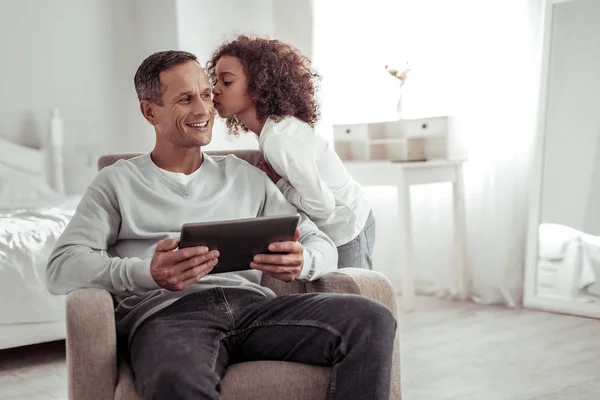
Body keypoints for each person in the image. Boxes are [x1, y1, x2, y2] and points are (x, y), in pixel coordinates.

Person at [46, 50, 396, 400]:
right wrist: (146, 274)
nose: (203, 110)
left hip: (256, 309)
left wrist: (304, 260)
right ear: (150, 111)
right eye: (185, 98)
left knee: (371, 320)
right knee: (176, 378)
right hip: (170, 317)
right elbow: (61, 267)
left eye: (206, 95)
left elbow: (319, 240)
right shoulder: (116, 182)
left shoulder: (245, 175)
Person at [207, 35, 376, 270]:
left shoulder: (279, 139)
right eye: (215, 80)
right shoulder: (272, 131)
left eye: (226, 82)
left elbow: (322, 205)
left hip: (347, 226)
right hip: (333, 229)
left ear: (258, 87)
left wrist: (280, 185)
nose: (215, 89)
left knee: (357, 298)